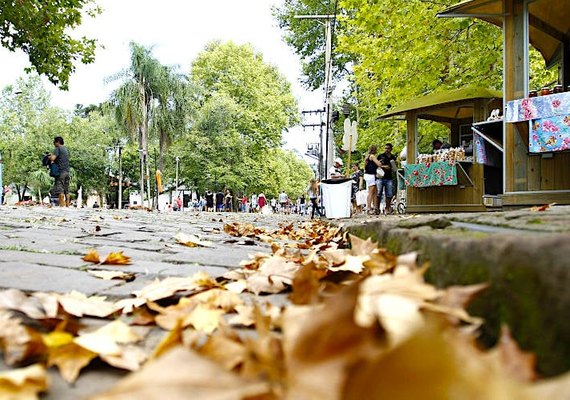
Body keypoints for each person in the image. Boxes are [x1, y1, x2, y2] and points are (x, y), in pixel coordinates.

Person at [49, 136, 70, 207]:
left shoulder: (58, 149)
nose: (53, 143)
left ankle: (62, 206)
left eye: (54, 142)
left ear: (58, 142)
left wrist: (49, 157)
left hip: (61, 172)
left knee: (60, 189)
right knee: (66, 190)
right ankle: (67, 205)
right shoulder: (65, 149)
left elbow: (53, 158)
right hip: (67, 171)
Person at [378, 143, 397, 214]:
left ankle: (387, 208)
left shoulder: (393, 157)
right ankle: (377, 209)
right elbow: (377, 165)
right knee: (378, 193)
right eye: (385, 148)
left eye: (388, 148)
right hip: (380, 177)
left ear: (391, 149)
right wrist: (384, 167)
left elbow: (394, 167)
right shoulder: (380, 156)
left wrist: (395, 164)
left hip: (389, 177)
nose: (386, 150)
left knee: (389, 194)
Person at [363, 145, 382, 215]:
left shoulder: (368, 157)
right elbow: (379, 164)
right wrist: (379, 162)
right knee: (371, 192)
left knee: (374, 191)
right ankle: (368, 208)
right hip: (370, 175)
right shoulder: (372, 156)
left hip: (369, 175)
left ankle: (374, 207)